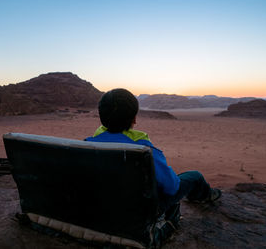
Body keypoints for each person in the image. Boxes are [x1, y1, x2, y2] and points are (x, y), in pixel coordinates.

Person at [85, 88, 221, 230]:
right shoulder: (143, 150)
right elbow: (172, 187)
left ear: (102, 117)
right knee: (194, 176)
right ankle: (206, 195)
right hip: (140, 211)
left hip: (104, 205)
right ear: (134, 119)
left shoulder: (87, 145)